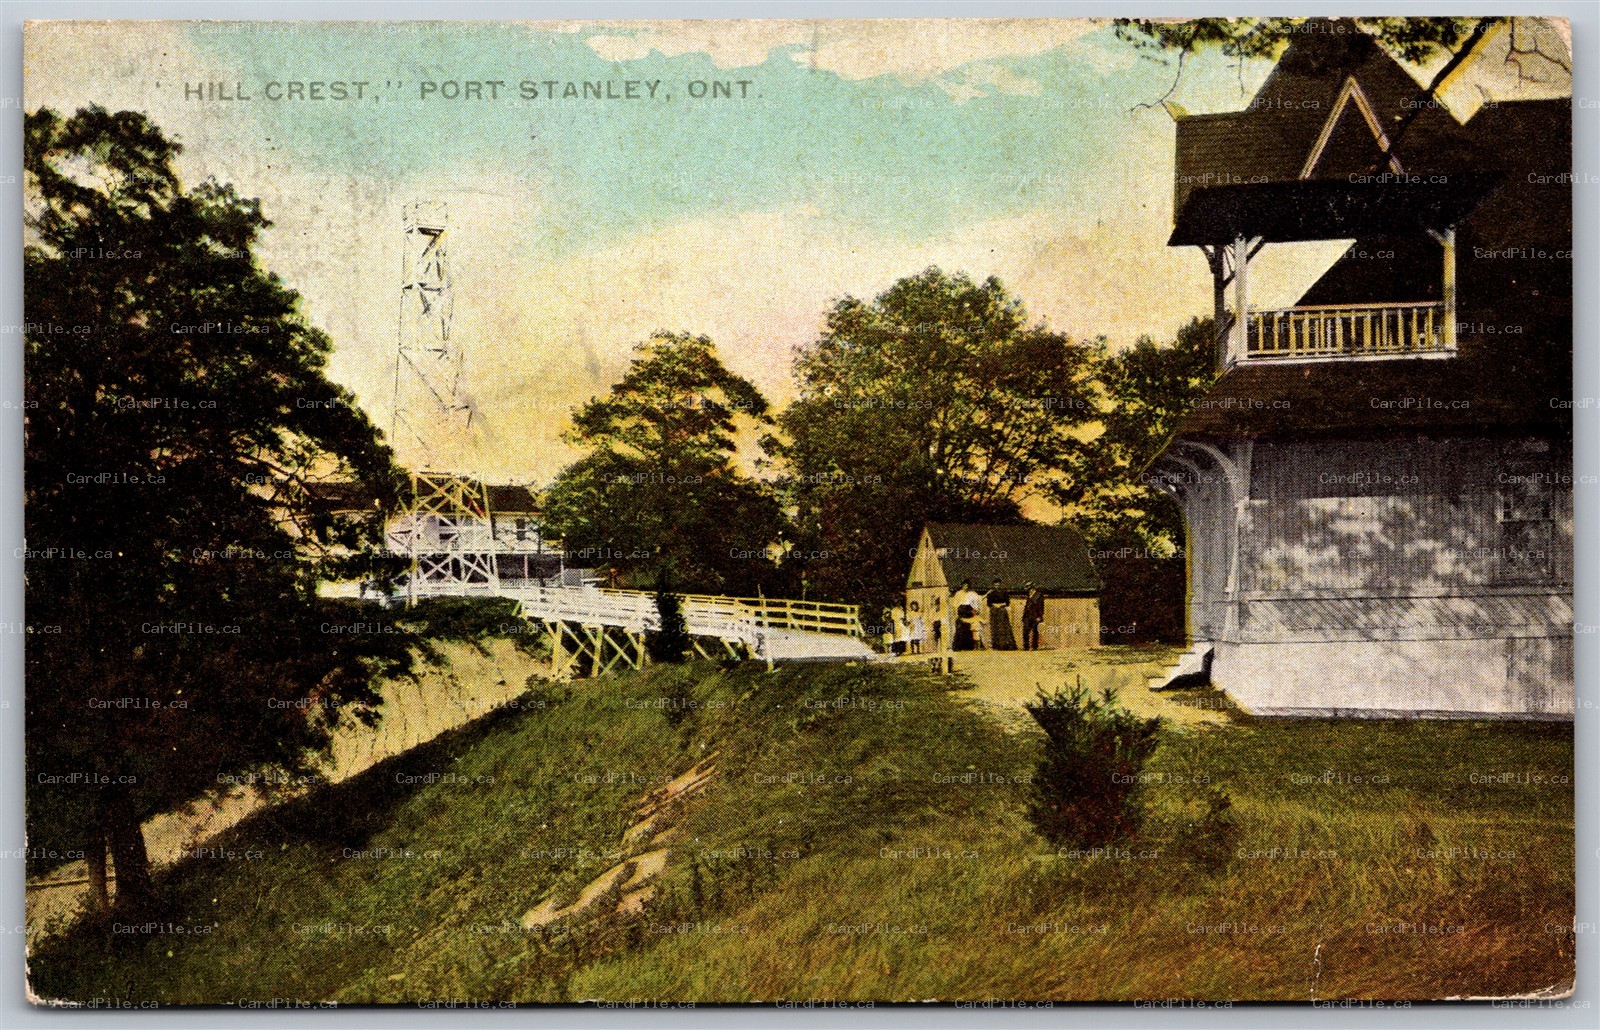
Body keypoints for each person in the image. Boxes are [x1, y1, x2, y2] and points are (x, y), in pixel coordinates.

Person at [986, 579, 1015, 651]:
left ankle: (1004, 646)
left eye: (998, 584)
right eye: (995, 584)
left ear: (1000, 584)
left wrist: (1001, 605)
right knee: (994, 627)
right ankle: (996, 645)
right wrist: (995, 605)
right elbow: (988, 603)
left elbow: (1007, 602)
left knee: (1003, 628)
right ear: (993, 585)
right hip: (994, 611)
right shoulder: (991, 593)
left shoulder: (1004, 592)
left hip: (1002, 610)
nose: (997, 586)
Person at [952, 580, 982, 650]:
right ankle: (958, 647)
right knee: (960, 629)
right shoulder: (958, 593)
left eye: (967, 585)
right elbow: (954, 605)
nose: (966, 587)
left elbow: (976, 602)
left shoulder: (972, 593)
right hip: (961, 611)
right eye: (964, 585)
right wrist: (956, 614)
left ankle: (968, 646)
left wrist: (976, 610)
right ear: (962, 586)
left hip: (968, 612)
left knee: (968, 629)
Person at [1022, 583, 1045, 651]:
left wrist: (1039, 616)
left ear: (1032, 588)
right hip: (1027, 616)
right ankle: (1026, 647)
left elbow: (1041, 606)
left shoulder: (1039, 595)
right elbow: (1026, 607)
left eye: (1029, 589)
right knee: (1025, 631)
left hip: (1035, 616)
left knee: (1035, 631)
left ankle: (1034, 647)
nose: (1028, 591)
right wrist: (1024, 616)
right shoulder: (1029, 595)